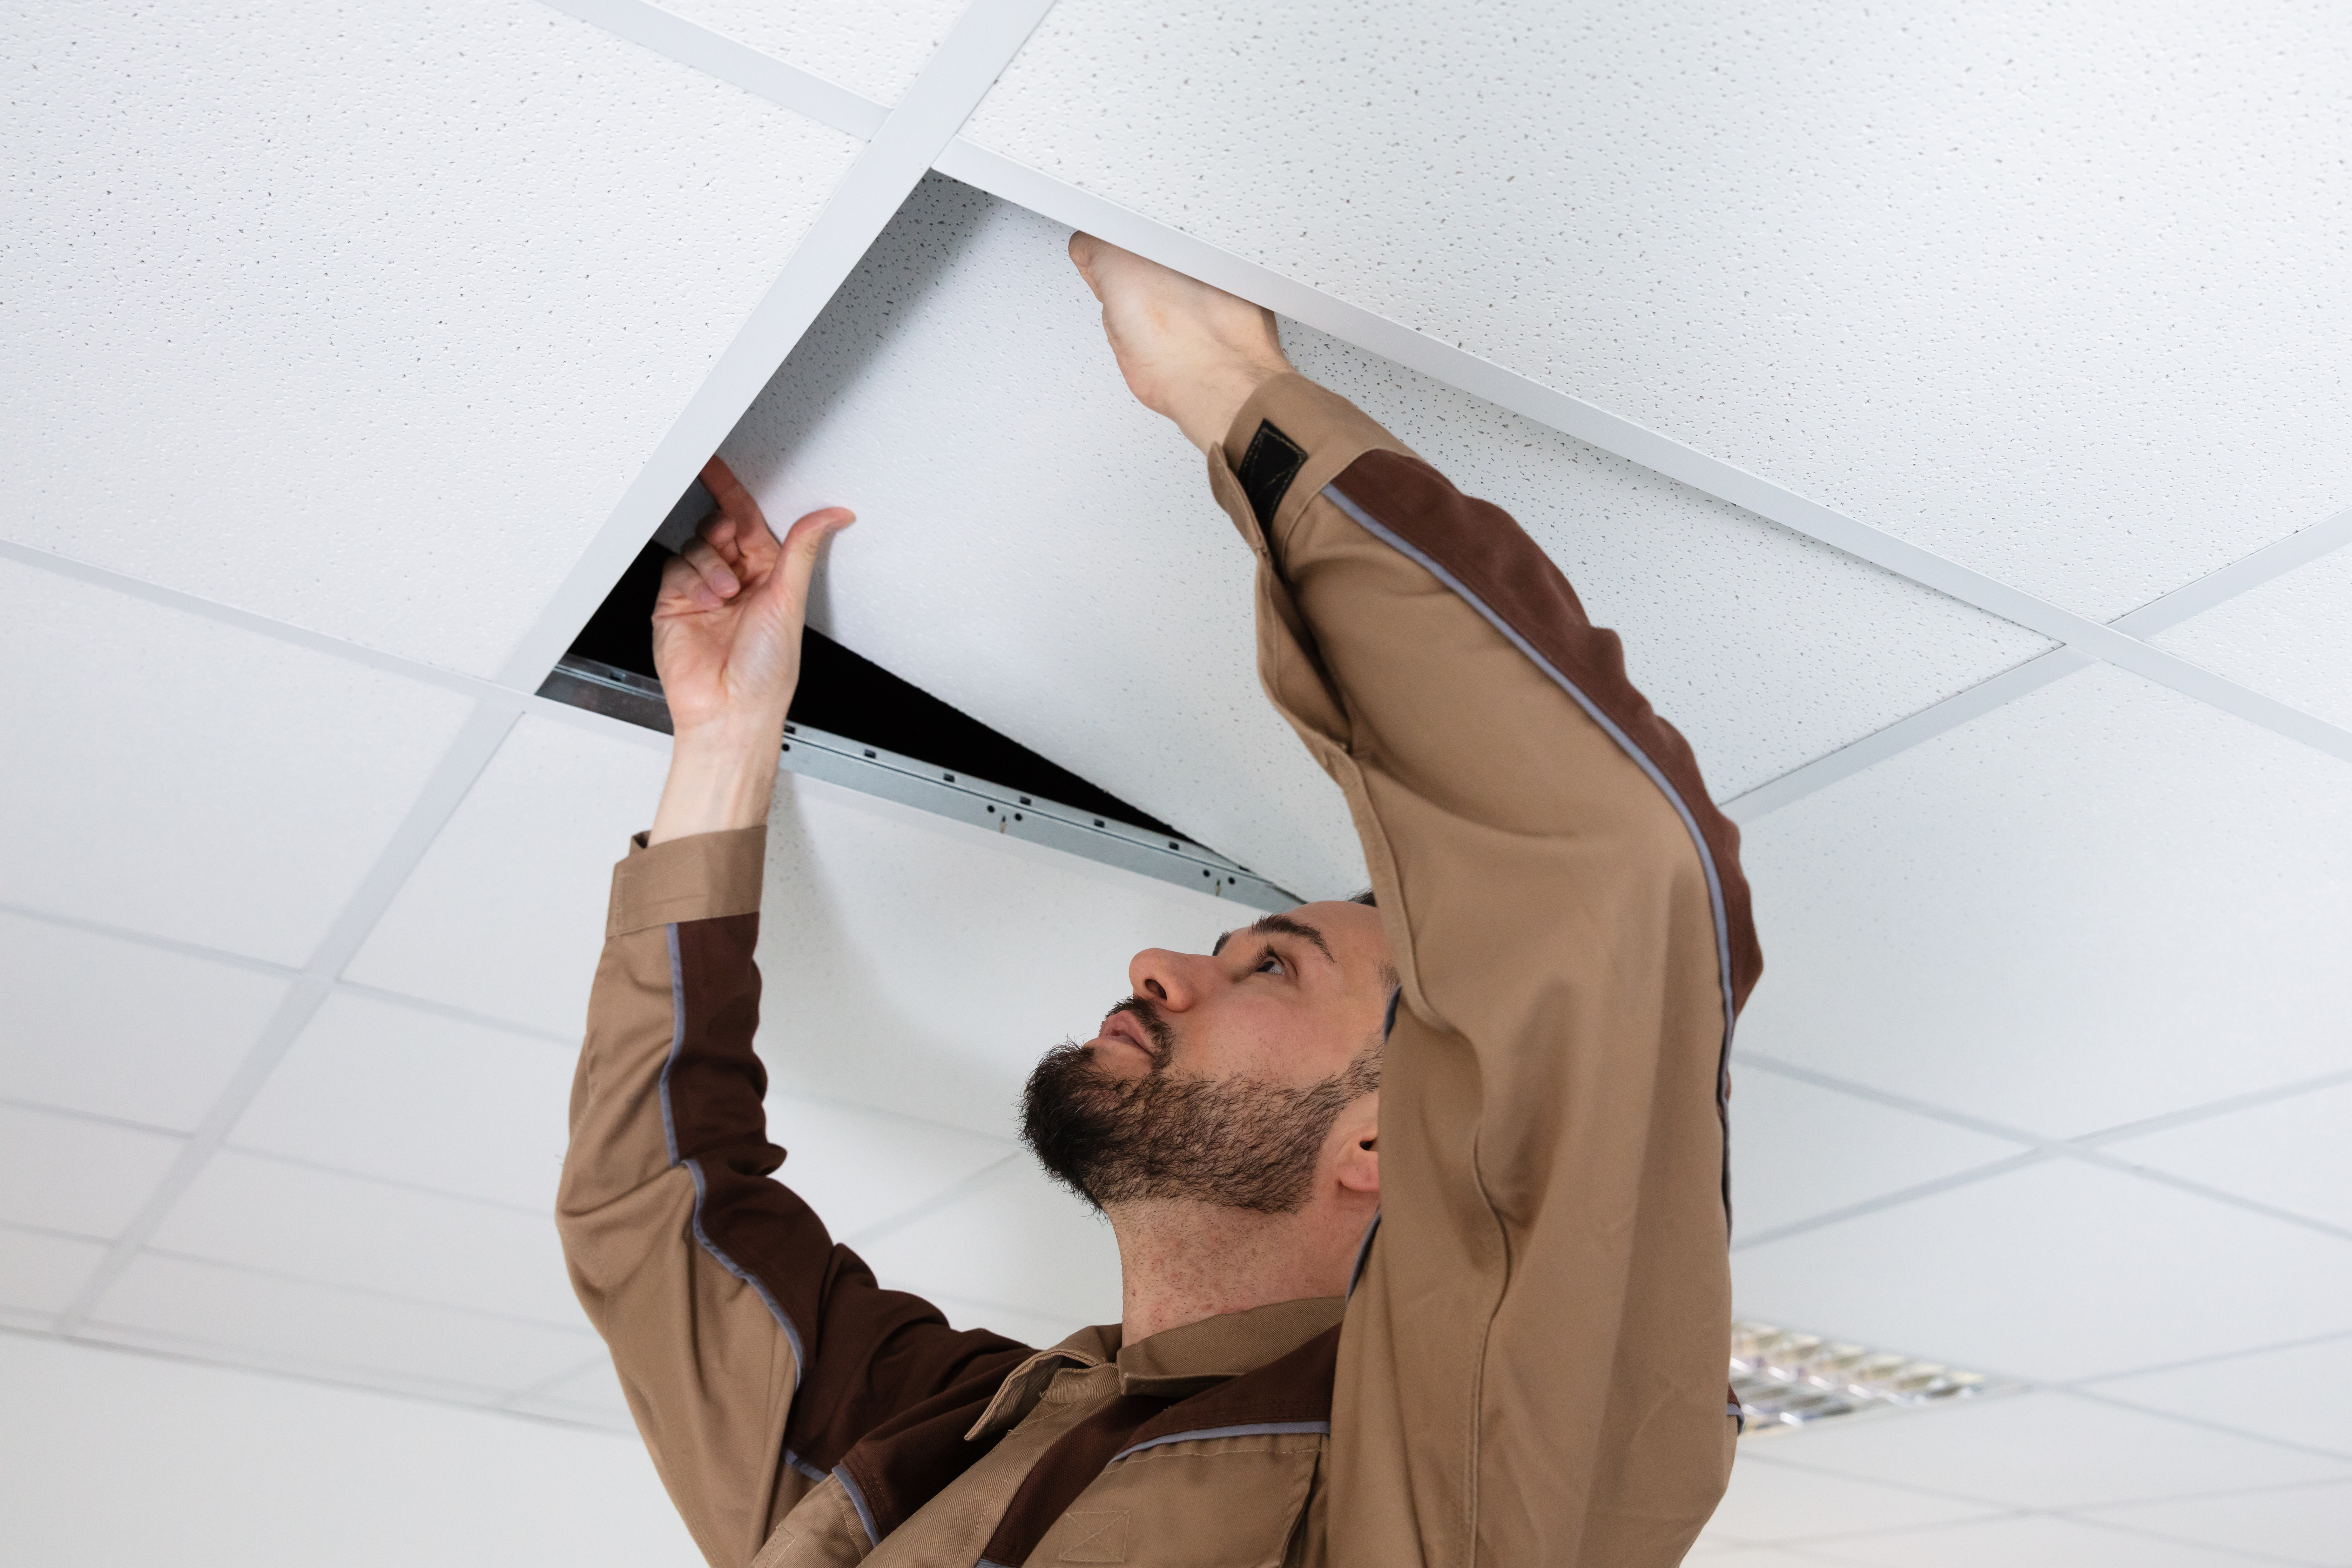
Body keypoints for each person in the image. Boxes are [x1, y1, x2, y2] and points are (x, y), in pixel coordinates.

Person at [557, 235, 1761, 1568]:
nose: (1155, 962)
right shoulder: (948, 1446)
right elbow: (1606, 879)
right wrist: (728, 738)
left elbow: (642, 1209)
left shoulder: (1466, 1500)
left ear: (1384, 1144)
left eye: (1270, 969)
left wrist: (1220, 381)